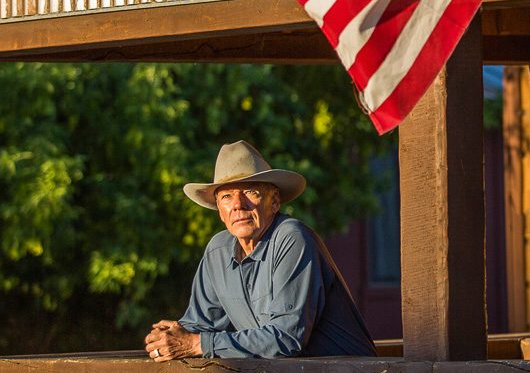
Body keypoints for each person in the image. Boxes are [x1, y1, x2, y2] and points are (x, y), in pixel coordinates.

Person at [144, 140, 377, 360]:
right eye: (226, 196)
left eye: (250, 192)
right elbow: (200, 325)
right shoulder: (218, 250)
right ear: (219, 211)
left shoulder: (292, 237)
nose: (238, 205)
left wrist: (196, 344)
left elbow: (285, 339)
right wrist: (169, 336)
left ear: (274, 202)